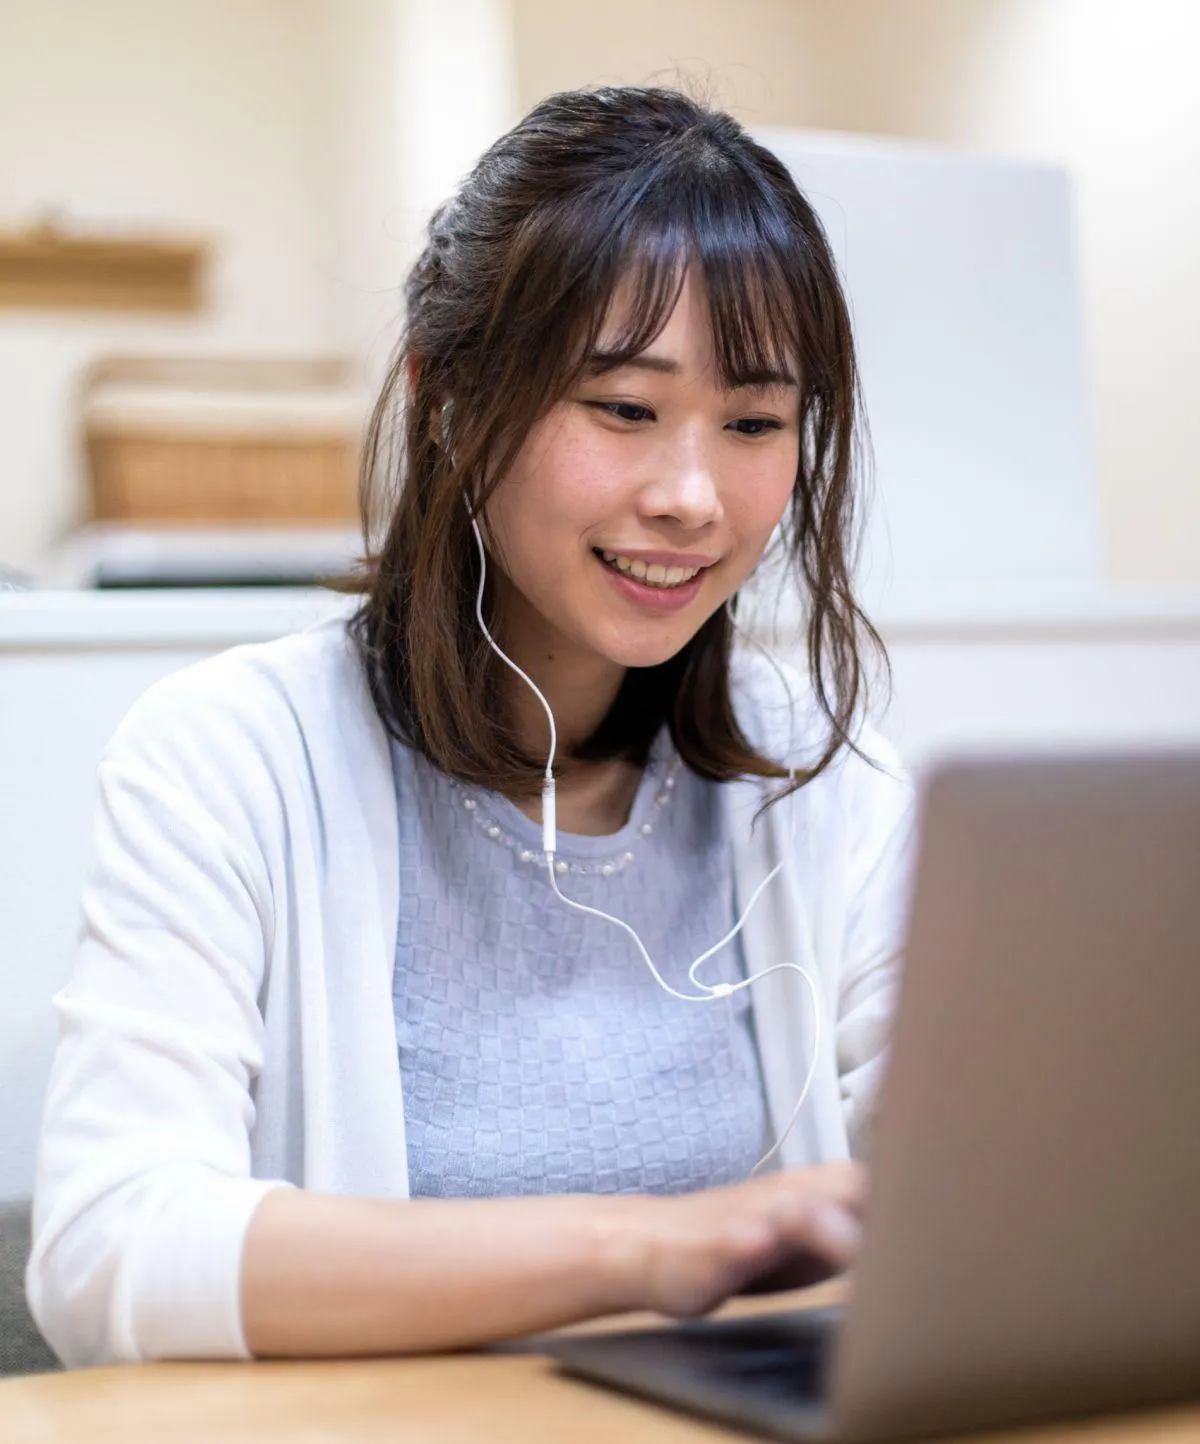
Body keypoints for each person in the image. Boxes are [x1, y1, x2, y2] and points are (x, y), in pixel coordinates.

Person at [27, 86, 913, 1368]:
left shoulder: (821, 777)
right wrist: (647, 1248)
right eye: (623, 408)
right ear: (452, 393)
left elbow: (995, 1184)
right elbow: (110, 1253)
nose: (690, 494)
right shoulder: (230, 756)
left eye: (756, 424)